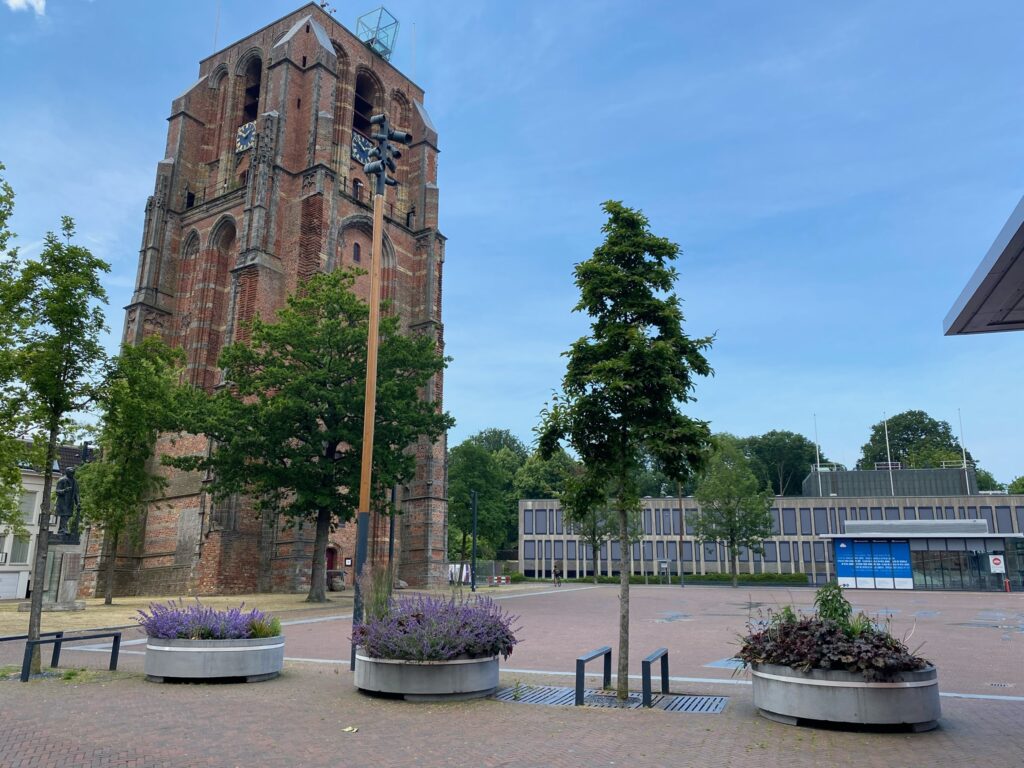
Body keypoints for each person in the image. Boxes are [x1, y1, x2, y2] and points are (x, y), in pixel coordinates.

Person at [54, 466, 80, 535]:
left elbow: (76, 493)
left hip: (70, 502)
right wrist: (64, 490)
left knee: (67, 515)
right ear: (67, 473)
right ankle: (63, 529)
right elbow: (57, 491)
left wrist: (78, 502)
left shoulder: (75, 481)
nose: (72, 475)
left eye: (73, 473)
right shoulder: (62, 480)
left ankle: (61, 529)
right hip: (63, 502)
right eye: (71, 473)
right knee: (64, 515)